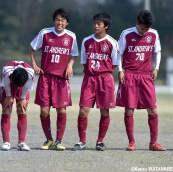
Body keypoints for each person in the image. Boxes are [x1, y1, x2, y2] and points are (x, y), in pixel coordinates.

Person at [29, 8, 79, 150]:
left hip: (61, 80)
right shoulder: (44, 33)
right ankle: (48, 140)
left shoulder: (71, 36)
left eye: (62, 20)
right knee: (44, 111)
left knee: (61, 110)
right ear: (54, 20)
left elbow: (74, 54)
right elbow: (32, 47)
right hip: (45, 78)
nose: (59, 22)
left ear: (67, 22)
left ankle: (59, 141)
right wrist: (35, 65)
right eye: (57, 19)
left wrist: (70, 64)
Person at [116, 10, 166, 151]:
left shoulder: (153, 34)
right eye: (142, 27)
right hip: (130, 75)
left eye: (147, 28)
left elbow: (157, 51)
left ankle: (153, 143)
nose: (145, 31)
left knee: (152, 108)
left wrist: (156, 67)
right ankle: (131, 142)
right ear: (137, 23)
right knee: (129, 109)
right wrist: (120, 70)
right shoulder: (126, 34)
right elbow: (119, 54)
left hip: (146, 75)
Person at [73, 13, 118, 151]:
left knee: (104, 112)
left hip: (105, 79)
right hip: (89, 79)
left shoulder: (112, 42)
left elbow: (115, 63)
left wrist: (102, 71)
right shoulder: (86, 41)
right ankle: (82, 141)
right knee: (83, 111)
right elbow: (84, 63)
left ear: (106, 26)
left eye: (99, 23)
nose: (96, 26)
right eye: (94, 23)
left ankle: (100, 141)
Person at [0, 61, 34, 151]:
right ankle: (6, 142)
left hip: (22, 83)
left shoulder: (30, 74)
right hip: (8, 84)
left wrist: (22, 98)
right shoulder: (7, 71)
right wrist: (8, 96)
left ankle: (21, 142)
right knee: (6, 108)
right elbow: (6, 85)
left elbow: (26, 87)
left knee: (22, 109)